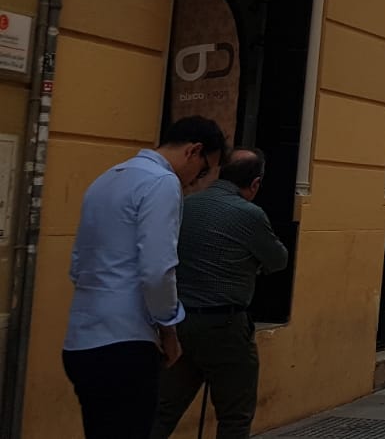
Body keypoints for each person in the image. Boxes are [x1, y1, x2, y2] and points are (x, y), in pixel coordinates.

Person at [62, 116, 226, 439]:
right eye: (205, 169)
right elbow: (157, 269)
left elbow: (78, 265)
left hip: (81, 340)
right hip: (127, 341)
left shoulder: (106, 179)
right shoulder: (162, 183)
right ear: (193, 151)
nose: (198, 180)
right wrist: (169, 330)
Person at [152, 148, 288, 439]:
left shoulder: (187, 205)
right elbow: (278, 260)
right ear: (255, 184)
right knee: (234, 415)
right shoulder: (250, 214)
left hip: (180, 323)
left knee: (163, 411)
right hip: (226, 325)